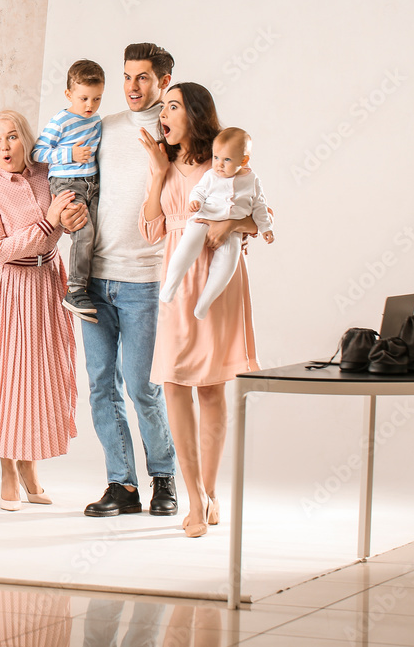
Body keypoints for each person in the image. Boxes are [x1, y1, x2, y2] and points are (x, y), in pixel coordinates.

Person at [139, 82, 262, 537]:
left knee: (210, 388)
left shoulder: (225, 163)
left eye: (173, 106)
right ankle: (193, 498)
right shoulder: (164, 164)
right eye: (163, 107)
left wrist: (227, 223)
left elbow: (258, 216)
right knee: (173, 383)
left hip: (216, 280)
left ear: (194, 113)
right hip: (177, 280)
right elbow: (151, 229)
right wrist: (156, 174)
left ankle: (209, 493)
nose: (164, 113)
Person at [81, 43, 178, 519]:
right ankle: (121, 485)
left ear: (162, 81)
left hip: (144, 281)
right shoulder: (105, 128)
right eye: (126, 76)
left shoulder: (174, 134)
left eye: (142, 78)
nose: (132, 87)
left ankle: (164, 478)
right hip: (95, 279)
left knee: (143, 387)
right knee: (101, 385)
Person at [0, 110, 79, 511]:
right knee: (6, 374)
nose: (4, 146)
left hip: (46, 281)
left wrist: (66, 219)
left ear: (25, 139)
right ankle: (8, 469)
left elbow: (67, 219)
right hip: (4, 285)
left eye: (12, 137)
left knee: (38, 375)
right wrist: (49, 223)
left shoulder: (47, 172)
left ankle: (30, 467)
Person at [160, 127, 274, 320]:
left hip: (232, 232)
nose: (219, 164)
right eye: (216, 158)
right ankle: (170, 285)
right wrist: (194, 202)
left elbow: (260, 207)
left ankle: (205, 302)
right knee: (187, 246)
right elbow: (199, 191)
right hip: (203, 218)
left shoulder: (252, 180)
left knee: (227, 265)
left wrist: (266, 228)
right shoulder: (211, 176)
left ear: (243, 161)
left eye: (227, 160)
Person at [32, 59, 105, 322]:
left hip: (91, 182)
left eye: (97, 99)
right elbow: (38, 153)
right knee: (83, 232)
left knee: (96, 233)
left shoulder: (96, 121)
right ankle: (74, 290)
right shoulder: (61, 120)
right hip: (67, 183)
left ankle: (88, 285)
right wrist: (69, 153)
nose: (90, 105)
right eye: (84, 98)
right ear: (68, 94)